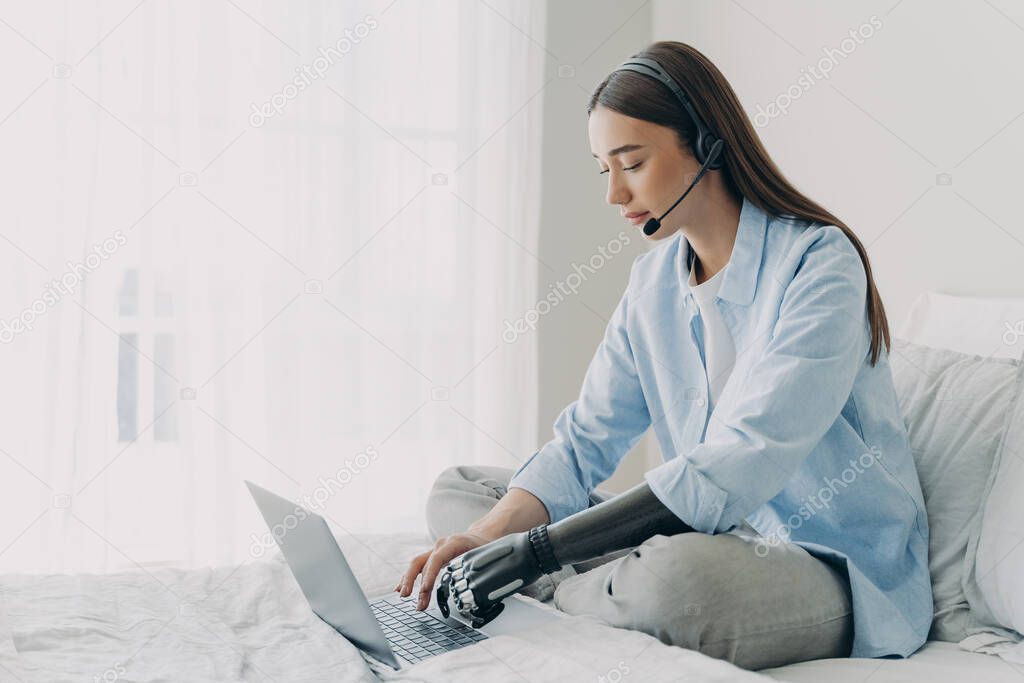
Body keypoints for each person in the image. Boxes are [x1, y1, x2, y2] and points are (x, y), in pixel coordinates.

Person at [396, 40, 933, 671]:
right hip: (704, 536)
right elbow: (581, 445)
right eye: (605, 169)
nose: (614, 195)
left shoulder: (819, 263)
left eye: (632, 162)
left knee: (674, 583)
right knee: (460, 494)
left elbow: (744, 457)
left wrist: (536, 552)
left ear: (706, 144)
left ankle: (551, 591)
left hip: (825, 565)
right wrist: (489, 538)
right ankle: (570, 590)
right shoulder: (653, 285)